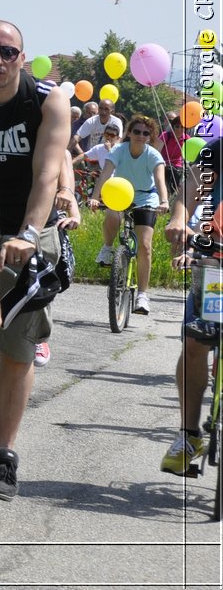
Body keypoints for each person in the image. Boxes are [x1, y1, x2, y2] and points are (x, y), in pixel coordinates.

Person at [0, 19, 76, 501]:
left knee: (17, 347)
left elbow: (47, 173)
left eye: (7, 52)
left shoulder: (47, 100)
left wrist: (30, 234)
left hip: (24, 230)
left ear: (22, 56)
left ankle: (4, 454)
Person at [163, 137, 221, 475]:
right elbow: (191, 188)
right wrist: (179, 218)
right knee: (196, 341)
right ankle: (189, 434)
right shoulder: (218, 152)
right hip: (216, 264)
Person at [89, 113, 169, 315]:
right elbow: (106, 173)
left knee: (145, 245)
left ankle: (142, 296)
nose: (140, 135)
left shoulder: (153, 155)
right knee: (112, 215)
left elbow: (160, 180)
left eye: (145, 133)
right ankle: (107, 249)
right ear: (129, 133)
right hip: (120, 193)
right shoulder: (119, 150)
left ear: (150, 136)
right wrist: (95, 196)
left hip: (145, 197)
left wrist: (164, 201)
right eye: (136, 131)